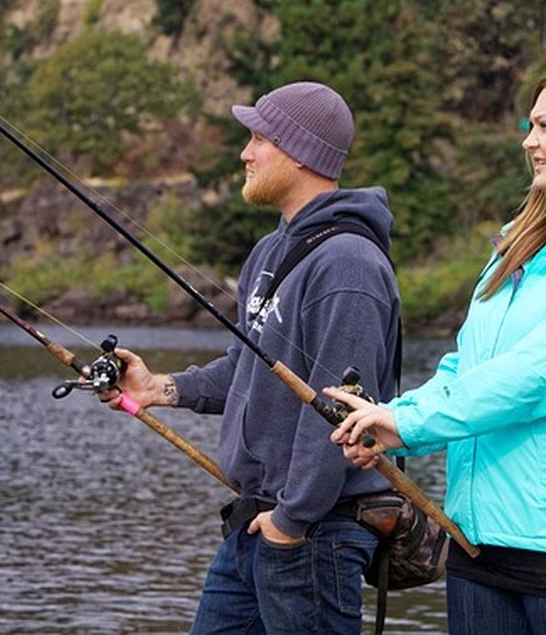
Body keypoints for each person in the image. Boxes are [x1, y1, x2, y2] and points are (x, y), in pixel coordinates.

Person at [326, 59, 546, 634]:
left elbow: (540, 374)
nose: (529, 141)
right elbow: (467, 367)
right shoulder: (515, 248)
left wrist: (411, 423)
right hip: (479, 546)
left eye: (545, 126)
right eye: (530, 126)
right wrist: (390, 421)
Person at [100, 81, 402, 634]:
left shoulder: (349, 265)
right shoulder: (270, 249)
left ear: (298, 152)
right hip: (257, 522)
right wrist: (157, 388)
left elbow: (340, 410)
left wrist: (292, 520)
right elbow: (247, 370)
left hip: (313, 533)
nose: (245, 152)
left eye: (258, 138)